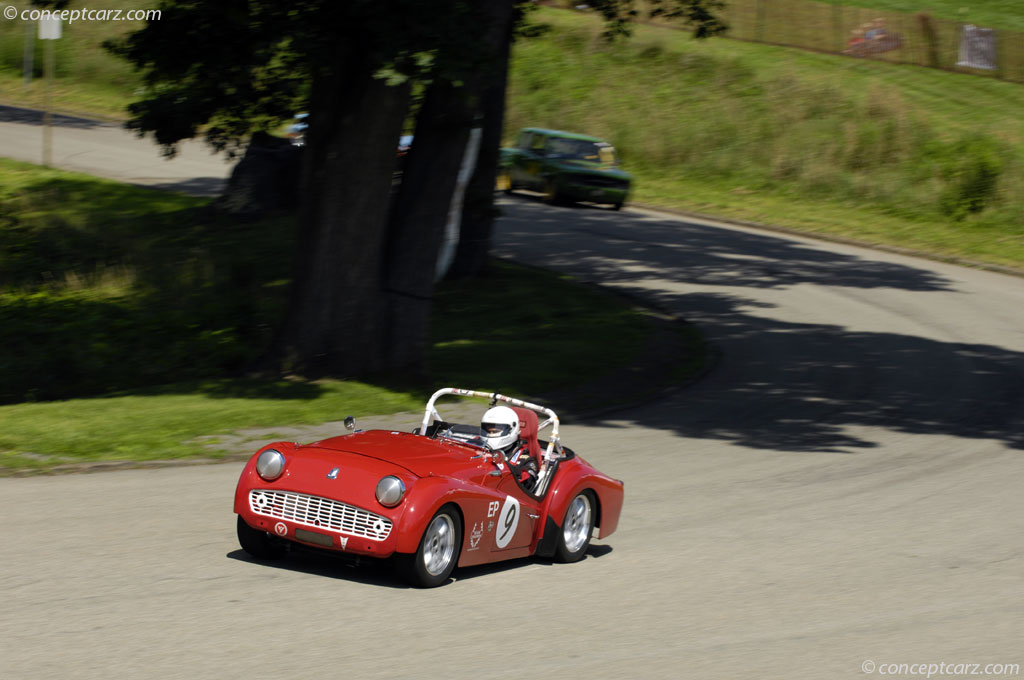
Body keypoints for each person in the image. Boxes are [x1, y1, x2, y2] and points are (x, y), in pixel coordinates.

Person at [481, 406, 539, 491]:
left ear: (512, 430)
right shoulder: (477, 445)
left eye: (496, 431)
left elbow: (528, 482)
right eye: (488, 431)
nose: (491, 435)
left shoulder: (525, 458)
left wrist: (504, 466)